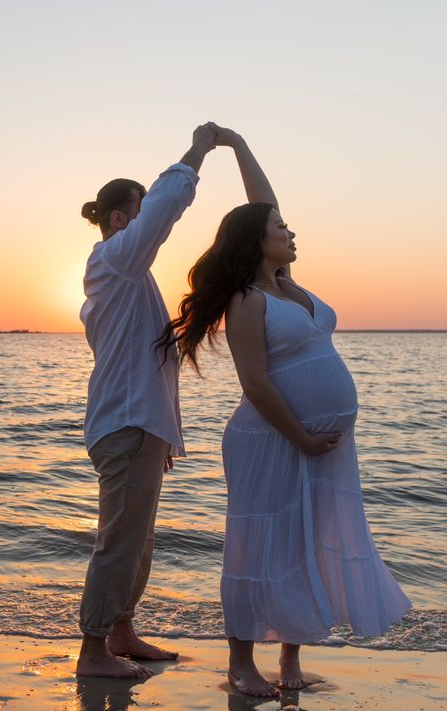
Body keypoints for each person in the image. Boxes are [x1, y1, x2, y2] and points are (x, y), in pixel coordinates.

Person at [157, 126, 412, 698]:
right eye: (281, 229)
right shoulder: (247, 299)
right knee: (259, 543)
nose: (291, 231)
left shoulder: (291, 286)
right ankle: (241, 664)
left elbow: (262, 204)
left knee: (307, 539)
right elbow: (255, 381)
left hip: (317, 443)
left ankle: (290, 655)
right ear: (258, 241)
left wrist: (240, 144)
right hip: (270, 438)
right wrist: (299, 435)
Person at [76, 123, 217, 680]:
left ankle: (122, 631)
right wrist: (198, 152)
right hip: (126, 425)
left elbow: (148, 361)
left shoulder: (127, 278)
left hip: (140, 425)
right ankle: (92, 652)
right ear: (120, 219)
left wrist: (164, 433)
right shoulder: (113, 262)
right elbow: (163, 207)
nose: (146, 224)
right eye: (136, 213)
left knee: (139, 537)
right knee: (120, 539)